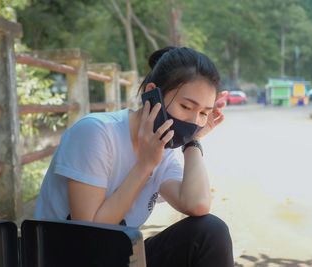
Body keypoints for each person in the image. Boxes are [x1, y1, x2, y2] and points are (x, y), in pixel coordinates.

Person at [34, 46, 234, 266]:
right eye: (186, 106)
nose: (194, 121)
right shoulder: (95, 133)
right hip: (68, 257)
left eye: (204, 113)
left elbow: (197, 204)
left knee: (210, 232)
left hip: (118, 256)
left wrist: (193, 142)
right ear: (152, 94)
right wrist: (144, 166)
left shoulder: (164, 151)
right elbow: (89, 233)